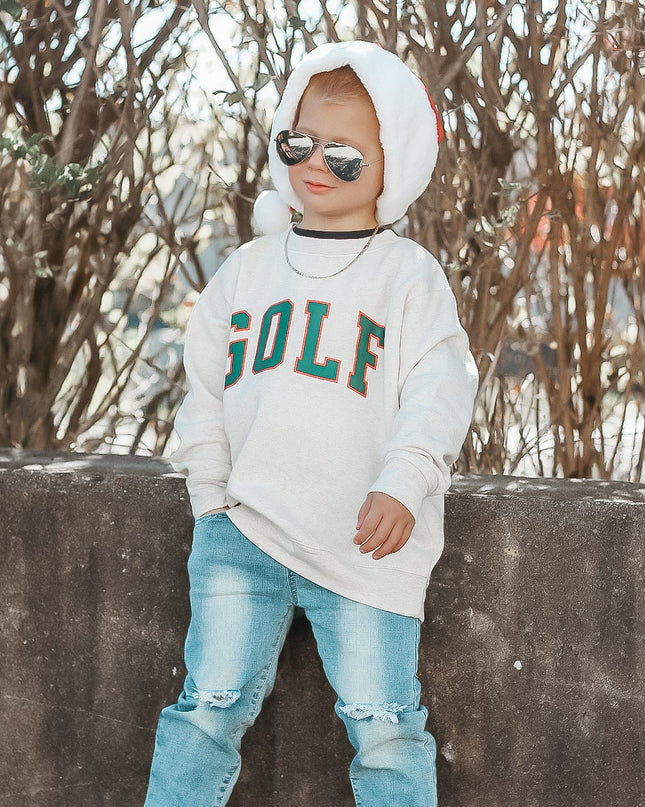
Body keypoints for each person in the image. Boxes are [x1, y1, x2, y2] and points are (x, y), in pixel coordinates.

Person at [144, 40, 478, 807]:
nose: (315, 163)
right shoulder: (247, 272)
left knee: (385, 726)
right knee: (204, 710)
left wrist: (405, 480)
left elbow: (439, 386)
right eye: (297, 143)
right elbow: (205, 390)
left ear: (393, 164)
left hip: (365, 545)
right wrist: (210, 501)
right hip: (243, 534)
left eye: (345, 154)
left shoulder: (407, 276)